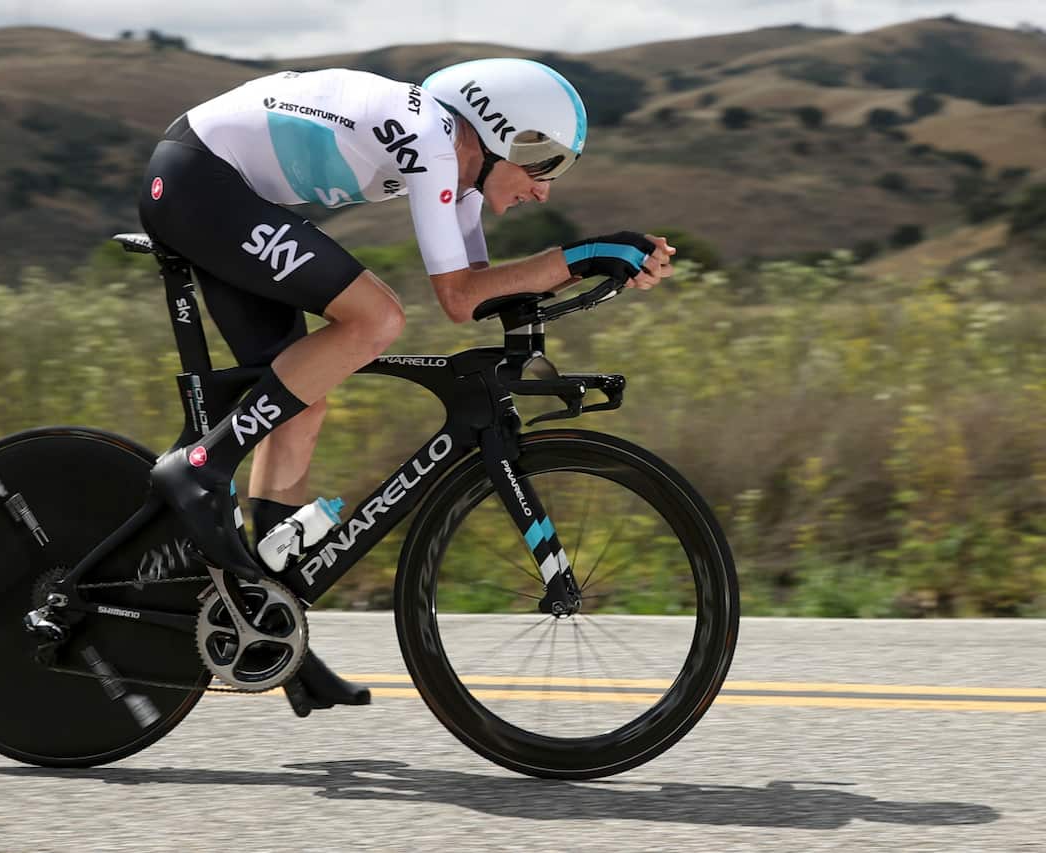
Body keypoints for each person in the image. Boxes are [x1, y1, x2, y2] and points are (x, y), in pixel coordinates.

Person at [140, 58, 676, 714]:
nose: (544, 192)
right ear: (502, 135)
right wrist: (584, 252)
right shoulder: (428, 138)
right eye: (545, 166)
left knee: (302, 395)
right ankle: (203, 464)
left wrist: (600, 266)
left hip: (223, 189)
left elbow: (478, 293)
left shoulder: (455, 164)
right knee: (377, 316)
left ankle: (266, 621)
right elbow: (455, 296)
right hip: (199, 181)